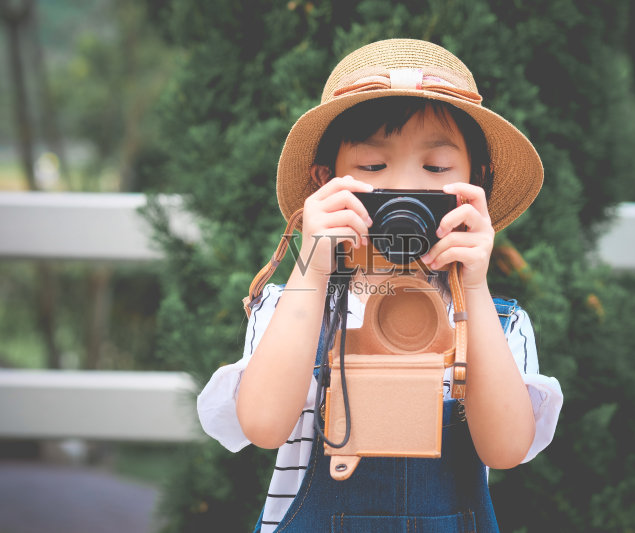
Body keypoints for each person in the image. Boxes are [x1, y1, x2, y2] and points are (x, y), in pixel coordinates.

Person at [197, 38, 563, 532]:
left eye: (435, 168)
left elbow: (507, 449)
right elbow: (262, 426)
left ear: (477, 183)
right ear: (325, 182)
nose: (406, 188)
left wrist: (473, 288)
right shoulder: (293, 307)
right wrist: (311, 267)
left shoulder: (498, 322)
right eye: (373, 167)